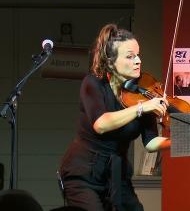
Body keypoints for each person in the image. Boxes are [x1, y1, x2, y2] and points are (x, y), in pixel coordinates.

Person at [59, 24, 169, 211]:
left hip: (117, 176)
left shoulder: (143, 92)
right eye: (130, 56)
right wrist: (142, 108)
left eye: (138, 55)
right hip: (84, 174)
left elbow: (150, 143)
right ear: (110, 62)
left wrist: (180, 141)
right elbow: (101, 124)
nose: (138, 61)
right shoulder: (93, 84)